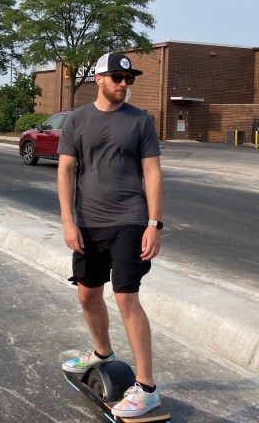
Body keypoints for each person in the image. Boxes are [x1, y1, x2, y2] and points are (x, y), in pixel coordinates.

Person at [58, 52, 163, 419]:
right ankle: (103, 352)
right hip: (88, 222)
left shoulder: (140, 122)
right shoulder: (78, 120)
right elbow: (66, 172)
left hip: (129, 220)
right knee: (87, 296)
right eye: (117, 77)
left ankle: (147, 388)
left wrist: (153, 224)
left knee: (126, 298)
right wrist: (68, 221)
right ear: (99, 79)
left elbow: (152, 173)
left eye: (129, 78)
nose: (124, 84)